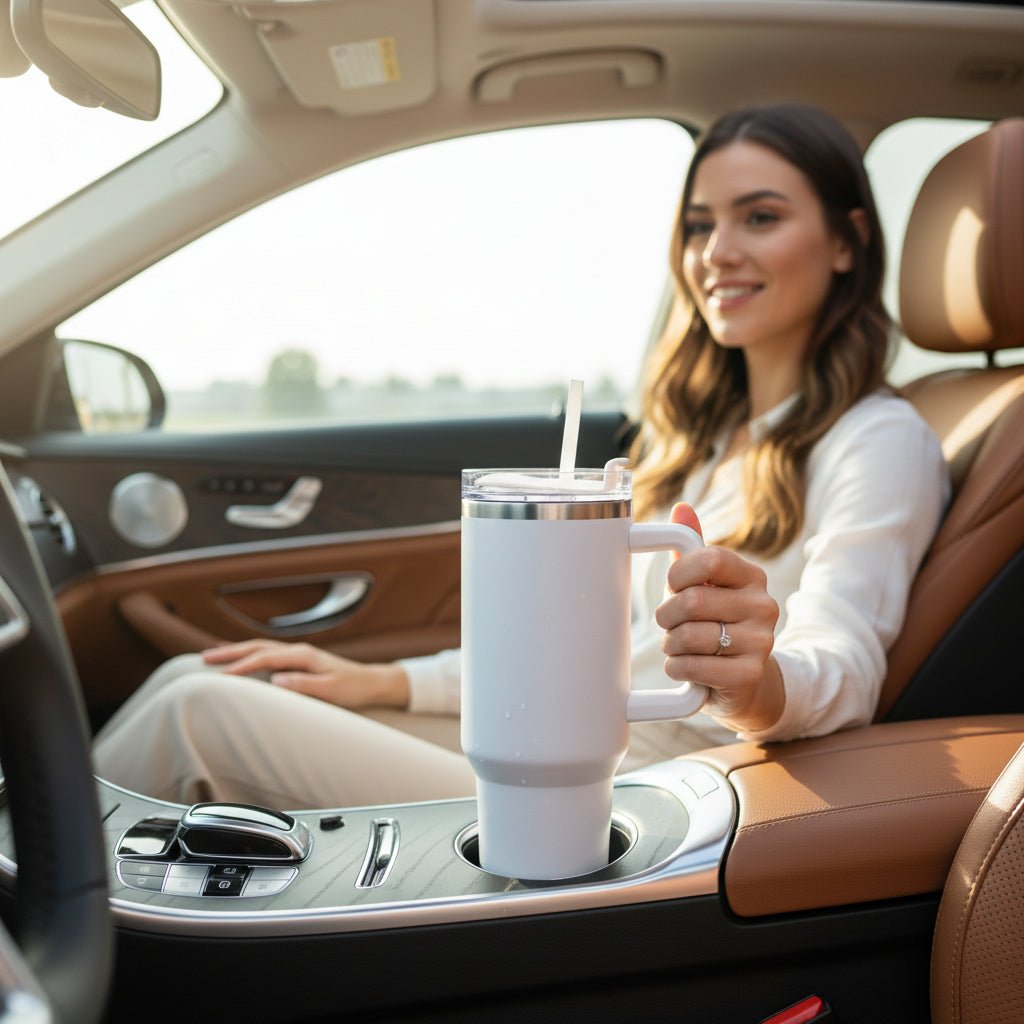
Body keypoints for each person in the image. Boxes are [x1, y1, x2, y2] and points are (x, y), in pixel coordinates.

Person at [93, 103, 950, 810]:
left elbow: (844, 669)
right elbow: (579, 656)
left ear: (846, 242)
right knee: (194, 679)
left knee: (197, 715)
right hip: (565, 737)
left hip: (650, 797)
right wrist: (380, 681)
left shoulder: (879, 440)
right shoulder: (707, 439)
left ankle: (46, 925)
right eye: (699, 224)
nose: (715, 251)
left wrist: (751, 684)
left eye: (759, 217)